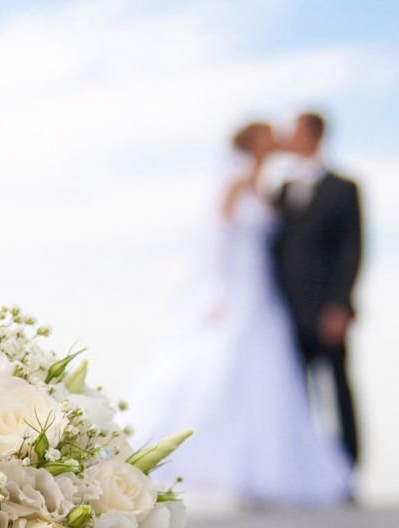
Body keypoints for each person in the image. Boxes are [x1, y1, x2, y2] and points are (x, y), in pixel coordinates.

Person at [128, 121, 351, 505]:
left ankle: (264, 473)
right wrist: (217, 295)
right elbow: (215, 241)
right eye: (269, 136)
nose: (278, 140)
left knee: (269, 383)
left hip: (266, 295)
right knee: (220, 374)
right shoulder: (232, 182)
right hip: (237, 292)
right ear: (252, 144)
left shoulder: (269, 188)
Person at [273, 112, 363, 467]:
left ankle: (347, 468)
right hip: (285, 312)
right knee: (293, 395)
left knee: (337, 388)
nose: (287, 138)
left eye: (293, 131)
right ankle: (303, 470)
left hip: (327, 310)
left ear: (313, 135)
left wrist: (340, 304)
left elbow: (352, 249)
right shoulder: (280, 192)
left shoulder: (344, 188)